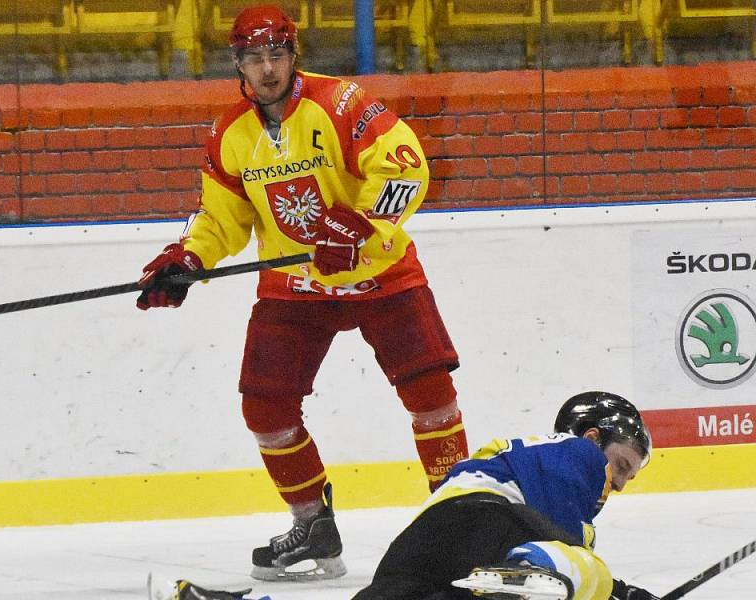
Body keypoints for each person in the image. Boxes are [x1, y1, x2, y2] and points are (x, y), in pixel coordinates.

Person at [135, 4, 468, 582]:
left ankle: (463, 519)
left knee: (431, 394)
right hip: (294, 289)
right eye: (255, 58)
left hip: (381, 275)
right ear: (237, 62)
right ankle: (312, 523)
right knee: (264, 407)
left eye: (277, 55)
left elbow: (406, 169)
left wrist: (362, 227)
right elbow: (222, 220)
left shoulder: (344, 104)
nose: (268, 68)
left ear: (293, 57)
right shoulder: (229, 135)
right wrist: (189, 257)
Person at [352, 391, 662, 600]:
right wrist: (619, 591)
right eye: (621, 466)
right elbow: (567, 550)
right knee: (592, 568)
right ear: (592, 437)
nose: (620, 483)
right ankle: (522, 574)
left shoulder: (525, 459)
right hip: (485, 523)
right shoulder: (579, 451)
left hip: (417, 546)